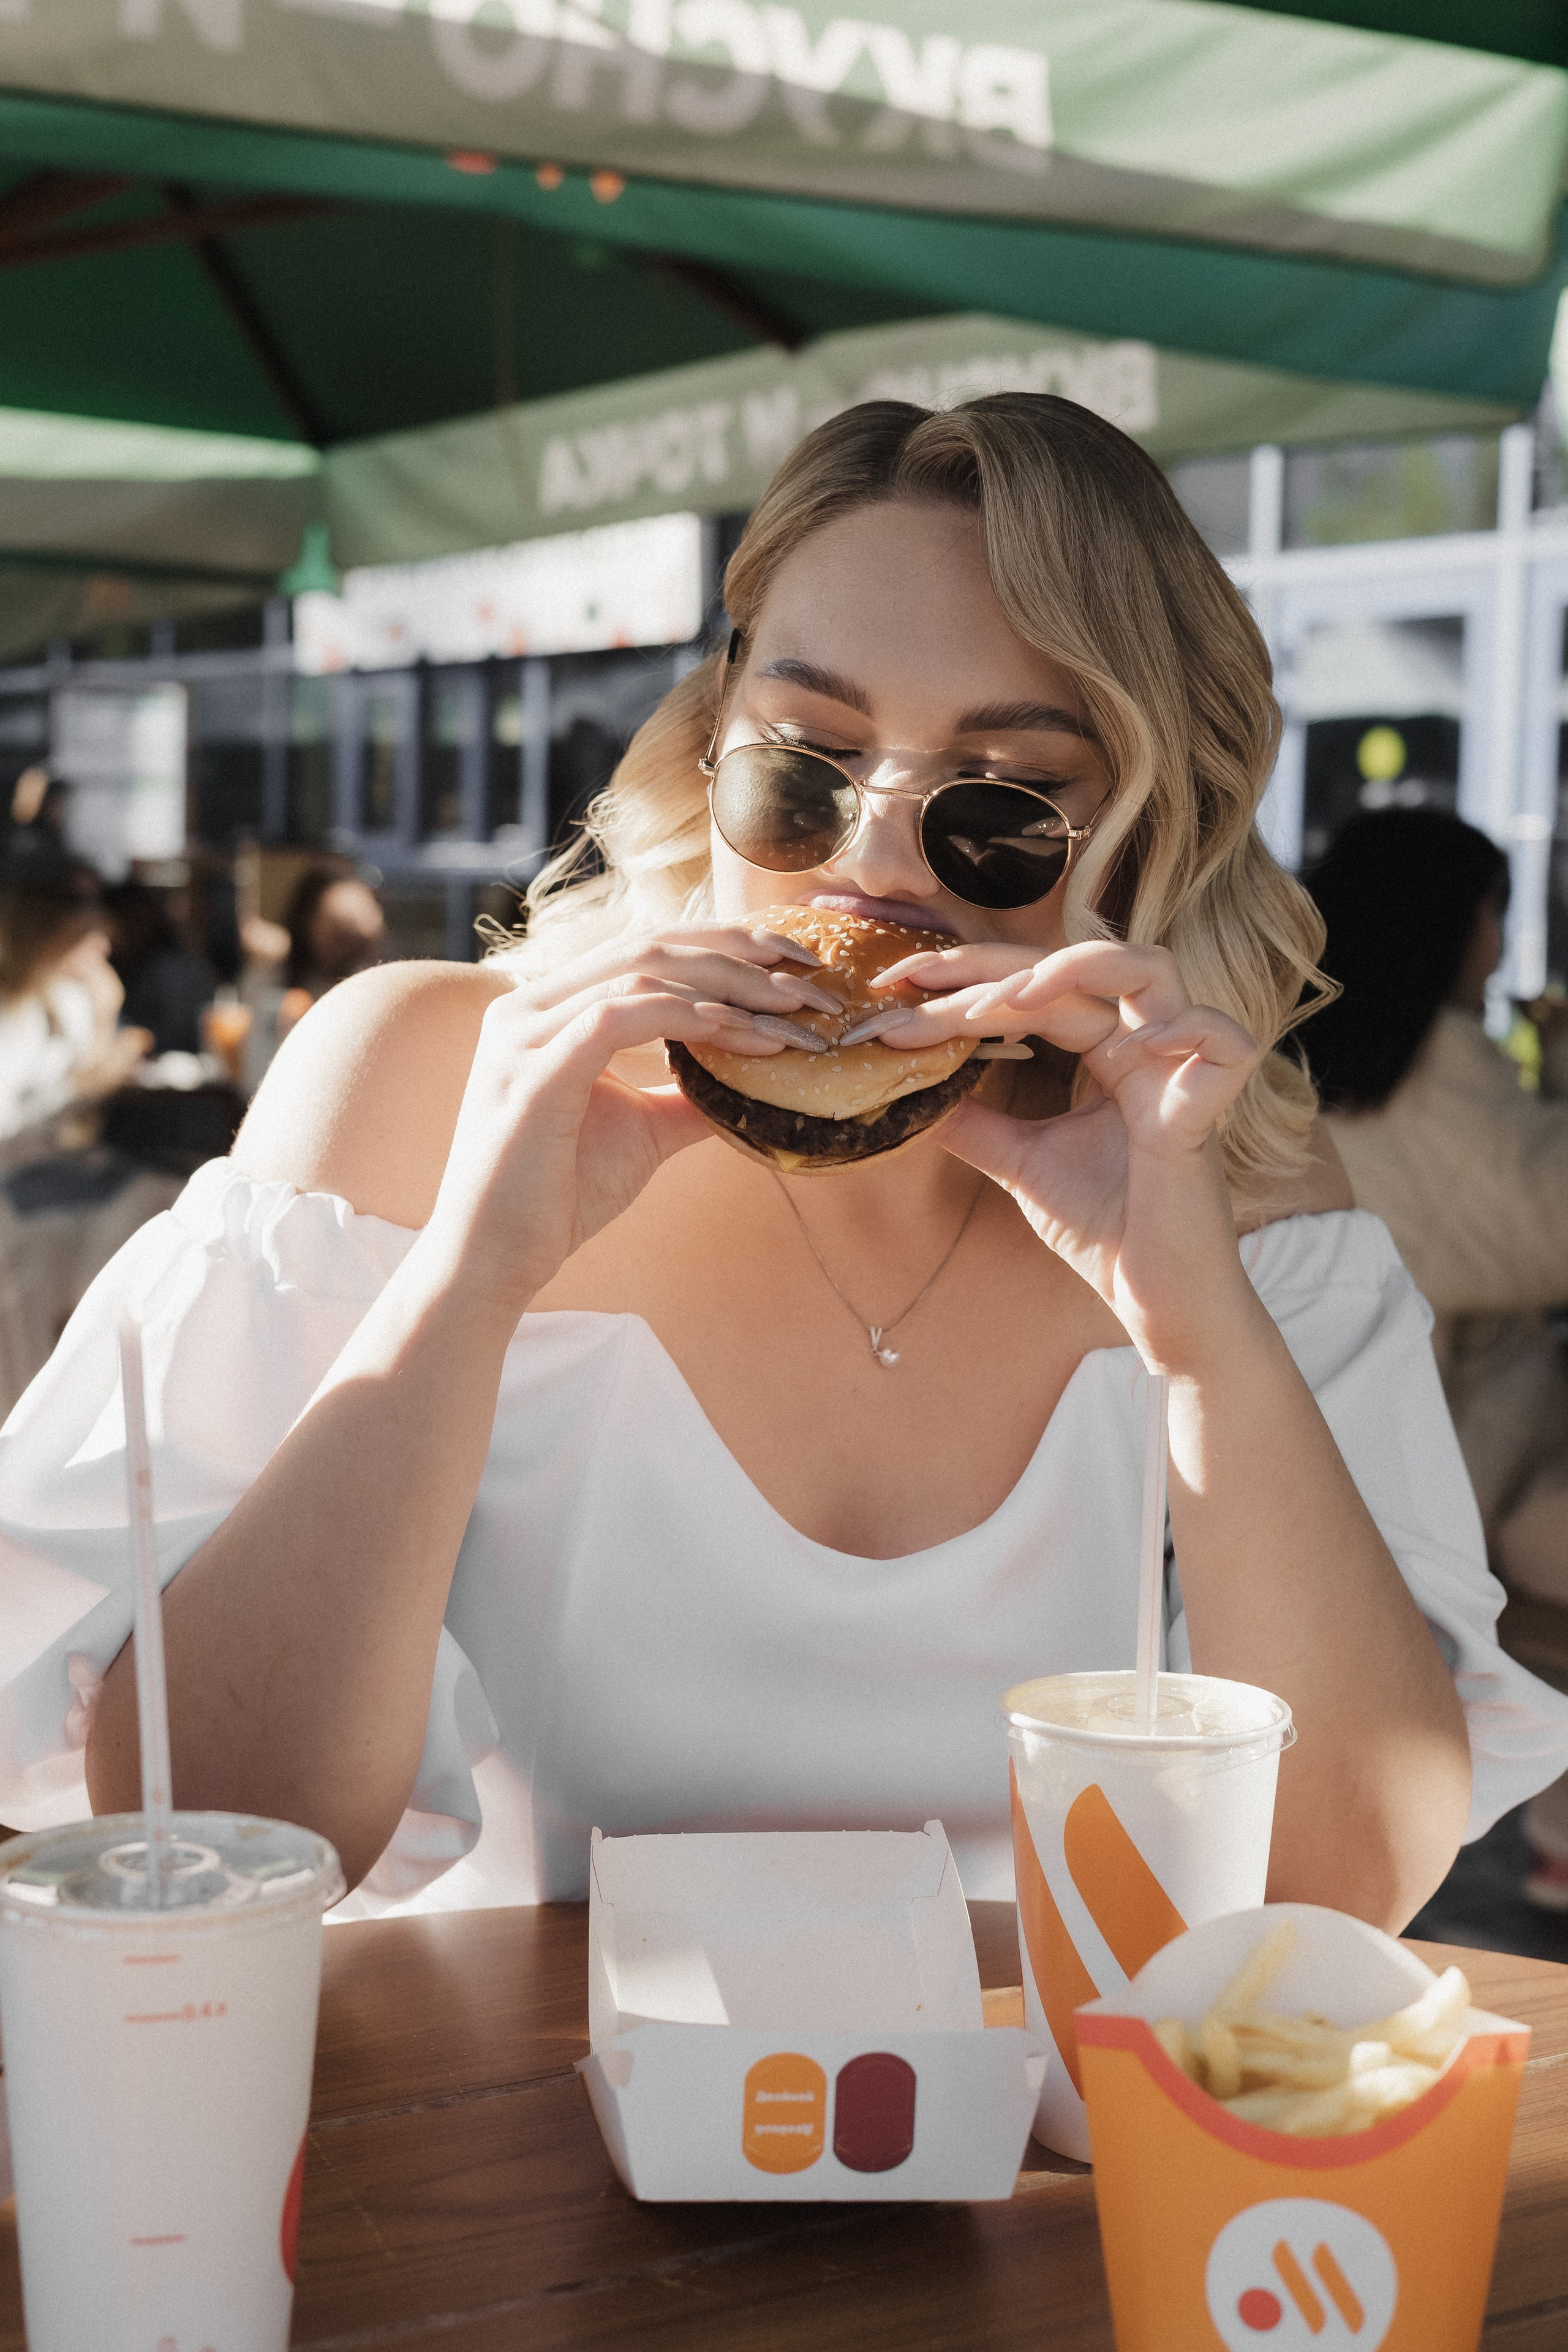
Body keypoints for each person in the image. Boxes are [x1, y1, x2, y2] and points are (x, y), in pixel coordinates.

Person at [2, 397, 1565, 1927]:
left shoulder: (1233, 1184)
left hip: (1025, 2107)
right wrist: (472, 1280)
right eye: (806, 760)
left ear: (1152, 832)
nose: (871, 857)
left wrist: (1195, 1328)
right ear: (710, 747)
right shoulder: (422, 1080)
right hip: (464, 2099)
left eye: (1004, 802)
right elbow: (204, 1833)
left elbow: (1340, 1884)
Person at [1308, 805, 1568, 1912]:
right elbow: (1543, 1227)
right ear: (1463, 923)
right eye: (1496, 913)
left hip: (1335, 1461)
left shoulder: (1294, 1051)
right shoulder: (1439, 1067)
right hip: (1458, 1461)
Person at [0, 873, 151, 1151]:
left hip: (56, 1154)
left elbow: (84, 1122)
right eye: (87, 935)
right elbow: (10, 1120)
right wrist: (82, 1085)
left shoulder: (70, 999)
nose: (105, 947)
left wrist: (105, 1017)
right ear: (45, 937)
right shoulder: (13, 1007)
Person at [104, 880, 218, 1059]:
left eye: (132, 918)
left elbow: (176, 1037)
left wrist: (140, 1041)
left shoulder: (169, 968)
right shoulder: (131, 963)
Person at [277, 858, 386, 1035]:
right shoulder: (288, 991)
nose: (350, 947)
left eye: (359, 936)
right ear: (307, 925)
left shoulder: (378, 995)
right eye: (339, 935)